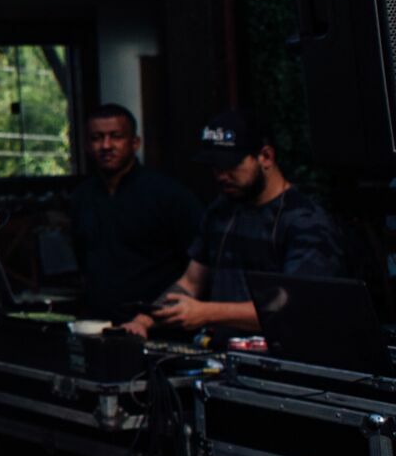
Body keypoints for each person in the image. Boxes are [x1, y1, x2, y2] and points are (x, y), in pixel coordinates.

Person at [124, 109, 350, 339]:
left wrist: (207, 312)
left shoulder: (306, 221)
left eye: (230, 165)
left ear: (266, 157)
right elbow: (191, 282)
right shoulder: (221, 210)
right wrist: (143, 320)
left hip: (281, 359)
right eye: (215, 167)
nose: (221, 176)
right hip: (224, 357)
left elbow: (293, 306)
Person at [67, 103, 201, 325]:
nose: (106, 145)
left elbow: (197, 265)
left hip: (157, 325)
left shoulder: (168, 194)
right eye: (97, 138)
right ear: (87, 146)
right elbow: (83, 261)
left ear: (135, 143)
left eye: (116, 136)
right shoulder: (82, 197)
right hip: (98, 325)